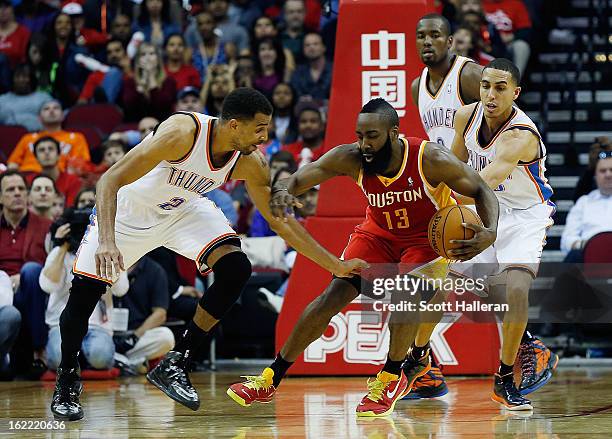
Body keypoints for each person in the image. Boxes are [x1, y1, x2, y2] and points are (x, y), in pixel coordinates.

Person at [49, 87, 366, 421]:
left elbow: (282, 225)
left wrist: (337, 264)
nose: (265, 136)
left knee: (236, 267)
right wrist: (108, 241)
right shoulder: (182, 132)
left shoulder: (250, 163)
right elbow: (109, 180)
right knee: (82, 299)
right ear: (233, 125)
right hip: (127, 213)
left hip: (182, 211)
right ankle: (68, 376)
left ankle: (177, 361)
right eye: (259, 128)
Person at [227, 98, 499, 418]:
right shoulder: (351, 157)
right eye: (359, 135)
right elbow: (302, 176)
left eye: (372, 136)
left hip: (426, 240)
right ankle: (271, 377)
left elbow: (482, 189)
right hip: (378, 235)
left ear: (393, 133)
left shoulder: (429, 158)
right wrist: (285, 189)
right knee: (331, 296)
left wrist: (490, 231)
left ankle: (391, 377)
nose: (364, 143)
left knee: (407, 295)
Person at [411, 14, 555, 401]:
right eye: (487, 86)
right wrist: (435, 202)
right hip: (482, 206)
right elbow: (454, 169)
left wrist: (459, 208)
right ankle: (418, 363)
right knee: (437, 278)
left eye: (500, 88)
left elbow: (483, 181)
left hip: (522, 214)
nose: (491, 95)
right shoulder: (464, 115)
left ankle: (506, 375)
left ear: (515, 93)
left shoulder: (520, 137)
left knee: (516, 289)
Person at [42, 208, 129, 371]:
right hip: (60, 325)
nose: (82, 235)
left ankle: (86, 356)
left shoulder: (107, 252)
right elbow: (47, 285)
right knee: (56, 360)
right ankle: (79, 357)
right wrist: (62, 246)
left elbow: (121, 289)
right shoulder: (58, 253)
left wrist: (108, 253)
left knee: (100, 358)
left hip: (98, 326)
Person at [0, 170, 52, 378]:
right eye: (10, 190)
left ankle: (38, 350)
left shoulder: (46, 226)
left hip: (30, 290)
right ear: (1, 197)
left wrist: (20, 277)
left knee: (31, 271)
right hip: (0, 293)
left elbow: (52, 264)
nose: (17, 193)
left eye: (21, 189)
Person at [112, 256, 175, 374]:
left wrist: (134, 338)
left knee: (166, 337)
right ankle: (132, 363)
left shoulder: (154, 269)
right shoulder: (105, 263)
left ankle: (120, 361)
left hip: (137, 335)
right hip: (107, 334)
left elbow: (160, 313)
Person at [8, 100, 91, 174]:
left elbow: (81, 165)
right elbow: (12, 164)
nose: (51, 111)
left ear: (63, 116)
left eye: (56, 108)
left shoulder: (77, 138)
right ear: (39, 118)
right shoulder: (27, 139)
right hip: (28, 179)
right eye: (46, 109)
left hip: (60, 180)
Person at [561, 151, 612, 262]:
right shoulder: (583, 203)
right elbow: (567, 240)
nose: (608, 174)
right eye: (603, 171)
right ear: (595, 175)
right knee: (573, 257)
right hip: (588, 255)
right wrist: (590, 245)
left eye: (611, 170)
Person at [122, 42, 177, 122]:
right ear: (138, 60)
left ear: (158, 59)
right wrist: (143, 80)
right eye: (143, 54)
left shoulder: (169, 81)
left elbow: (163, 106)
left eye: (151, 54)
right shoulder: (130, 82)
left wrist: (151, 76)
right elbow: (129, 106)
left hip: (162, 126)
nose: (147, 58)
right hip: (136, 126)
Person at [28, 137, 83, 206]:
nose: (46, 152)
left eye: (51, 149)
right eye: (42, 150)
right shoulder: (29, 181)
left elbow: (70, 209)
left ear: (59, 155)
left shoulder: (73, 181)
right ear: (36, 158)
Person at [0, 63, 52, 131]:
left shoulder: (44, 98)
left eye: (24, 76)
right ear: (12, 79)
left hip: (39, 137)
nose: (21, 80)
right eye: (17, 76)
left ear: (31, 78)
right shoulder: (2, 100)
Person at [290, 33, 333, 100]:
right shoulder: (298, 72)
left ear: (324, 47)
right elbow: (295, 94)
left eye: (315, 44)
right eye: (307, 45)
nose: (311, 47)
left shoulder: (335, 70)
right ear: (303, 50)